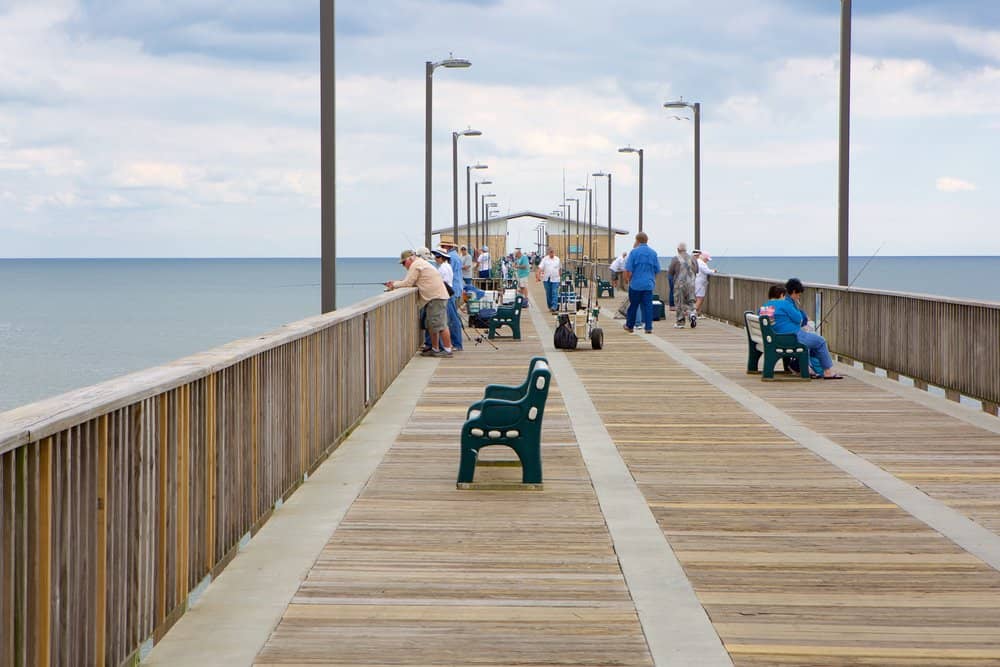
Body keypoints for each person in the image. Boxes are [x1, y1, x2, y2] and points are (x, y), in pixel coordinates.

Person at [385, 250, 453, 357]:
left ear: (410, 258)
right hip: (434, 297)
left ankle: (448, 350)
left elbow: (408, 283)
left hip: (436, 297)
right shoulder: (420, 263)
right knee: (433, 325)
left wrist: (394, 284)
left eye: (404, 262)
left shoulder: (416, 265)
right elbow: (411, 281)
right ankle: (435, 349)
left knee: (440, 325)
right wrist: (396, 283)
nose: (403, 265)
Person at [771, 278, 843, 379]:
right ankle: (827, 372)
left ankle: (805, 367)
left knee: (809, 342)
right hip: (791, 337)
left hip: (778, 337)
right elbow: (799, 319)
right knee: (821, 341)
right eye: (799, 294)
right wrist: (804, 316)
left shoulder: (777, 303)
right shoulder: (788, 303)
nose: (799, 296)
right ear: (794, 292)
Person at [622, 232, 660, 334]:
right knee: (648, 306)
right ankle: (648, 327)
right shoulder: (653, 253)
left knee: (633, 305)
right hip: (648, 284)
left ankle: (630, 326)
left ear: (637, 240)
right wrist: (652, 279)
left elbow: (628, 269)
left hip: (636, 284)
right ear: (647, 240)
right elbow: (657, 269)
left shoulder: (634, 252)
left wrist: (627, 279)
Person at [432, 248, 464, 351]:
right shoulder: (447, 266)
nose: (436, 259)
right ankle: (455, 344)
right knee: (452, 319)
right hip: (449, 295)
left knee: (452, 320)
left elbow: (442, 282)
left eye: (437, 257)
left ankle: (456, 344)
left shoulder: (443, 268)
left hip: (446, 296)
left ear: (442, 258)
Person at [668, 242, 698, 328]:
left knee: (679, 303)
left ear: (678, 250)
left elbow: (670, 272)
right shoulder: (693, 258)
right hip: (691, 284)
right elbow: (697, 270)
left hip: (680, 284)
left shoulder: (675, 258)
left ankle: (680, 322)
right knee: (691, 300)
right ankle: (692, 313)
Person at [536, 247, 561, 313]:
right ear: (548, 252)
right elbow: (540, 268)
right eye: (550, 252)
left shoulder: (557, 259)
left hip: (555, 279)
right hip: (547, 279)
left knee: (554, 292)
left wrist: (560, 278)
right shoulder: (545, 259)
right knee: (548, 293)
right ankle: (550, 306)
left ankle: (554, 306)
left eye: (552, 252)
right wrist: (538, 275)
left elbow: (559, 269)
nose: (552, 253)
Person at [693, 249, 717, 315]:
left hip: (696, 281)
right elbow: (707, 271)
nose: (707, 261)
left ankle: (697, 313)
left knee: (698, 298)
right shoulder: (701, 263)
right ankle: (693, 313)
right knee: (700, 298)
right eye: (707, 259)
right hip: (700, 283)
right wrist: (713, 271)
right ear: (703, 257)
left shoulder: (697, 261)